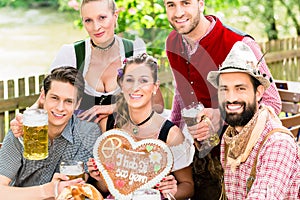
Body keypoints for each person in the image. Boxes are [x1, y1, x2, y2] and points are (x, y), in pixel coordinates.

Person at [163, 0, 282, 199]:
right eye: (171, 4)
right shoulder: (172, 42)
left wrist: (221, 116)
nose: (178, 12)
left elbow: (272, 103)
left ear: (201, 3)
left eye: (186, 3)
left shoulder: (239, 43)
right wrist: (169, 138)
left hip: (241, 158)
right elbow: (180, 94)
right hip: (200, 155)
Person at [87, 53, 195, 199]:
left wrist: (171, 191)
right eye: (129, 80)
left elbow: (188, 186)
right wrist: (101, 177)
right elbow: (104, 188)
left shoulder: (170, 135)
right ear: (122, 84)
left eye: (143, 80)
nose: (135, 87)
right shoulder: (108, 124)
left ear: (155, 87)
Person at [50, 0, 164, 129]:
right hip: (79, 138)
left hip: (124, 137)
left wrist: (114, 108)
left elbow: (157, 106)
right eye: (88, 20)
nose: (96, 27)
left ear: (115, 16)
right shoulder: (70, 54)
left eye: (102, 18)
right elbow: (47, 101)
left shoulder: (134, 51)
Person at [206, 41, 299, 199]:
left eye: (240, 88)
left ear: (259, 92)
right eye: (224, 89)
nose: (231, 98)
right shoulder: (230, 138)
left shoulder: (277, 143)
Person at [0, 66, 102, 199]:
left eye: (68, 101)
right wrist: (49, 190)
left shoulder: (87, 133)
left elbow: (76, 187)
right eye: (54, 98)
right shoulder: (21, 130)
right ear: (43, 96)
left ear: (77, 104)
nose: (60, 108)